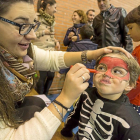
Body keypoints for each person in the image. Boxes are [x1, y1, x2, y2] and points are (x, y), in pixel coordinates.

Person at [0, 0, 131, 139]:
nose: (32, 35)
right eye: (21, 24)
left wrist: (92, 54)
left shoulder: (20, 53)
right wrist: (66, 98)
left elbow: (51, 58)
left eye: (33, 25)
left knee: (37, 103)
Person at [61, 50, 140, 139]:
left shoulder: (131, 123)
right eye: (102, 68)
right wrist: (66, 131)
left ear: (130, 84)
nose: (106, 74)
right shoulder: (86, 94)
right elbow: (75, 115)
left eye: (117, 71)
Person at [33, 0, 60, 95]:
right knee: (41, 78)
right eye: (55, 7)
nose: (56, 10)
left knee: (51, 76)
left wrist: (56, 41)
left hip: (51, 52)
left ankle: (45, 95)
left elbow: (51, 37)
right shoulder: (36, 17)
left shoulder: (52, 20)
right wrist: (43, 32)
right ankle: (39, 97)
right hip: (41, 51)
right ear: (48, 6)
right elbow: (29, 34)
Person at [125, 5, 140, 115]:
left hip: (135, 101)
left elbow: (137, 81)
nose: (128, 33)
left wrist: (123, 96)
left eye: (131, 28)